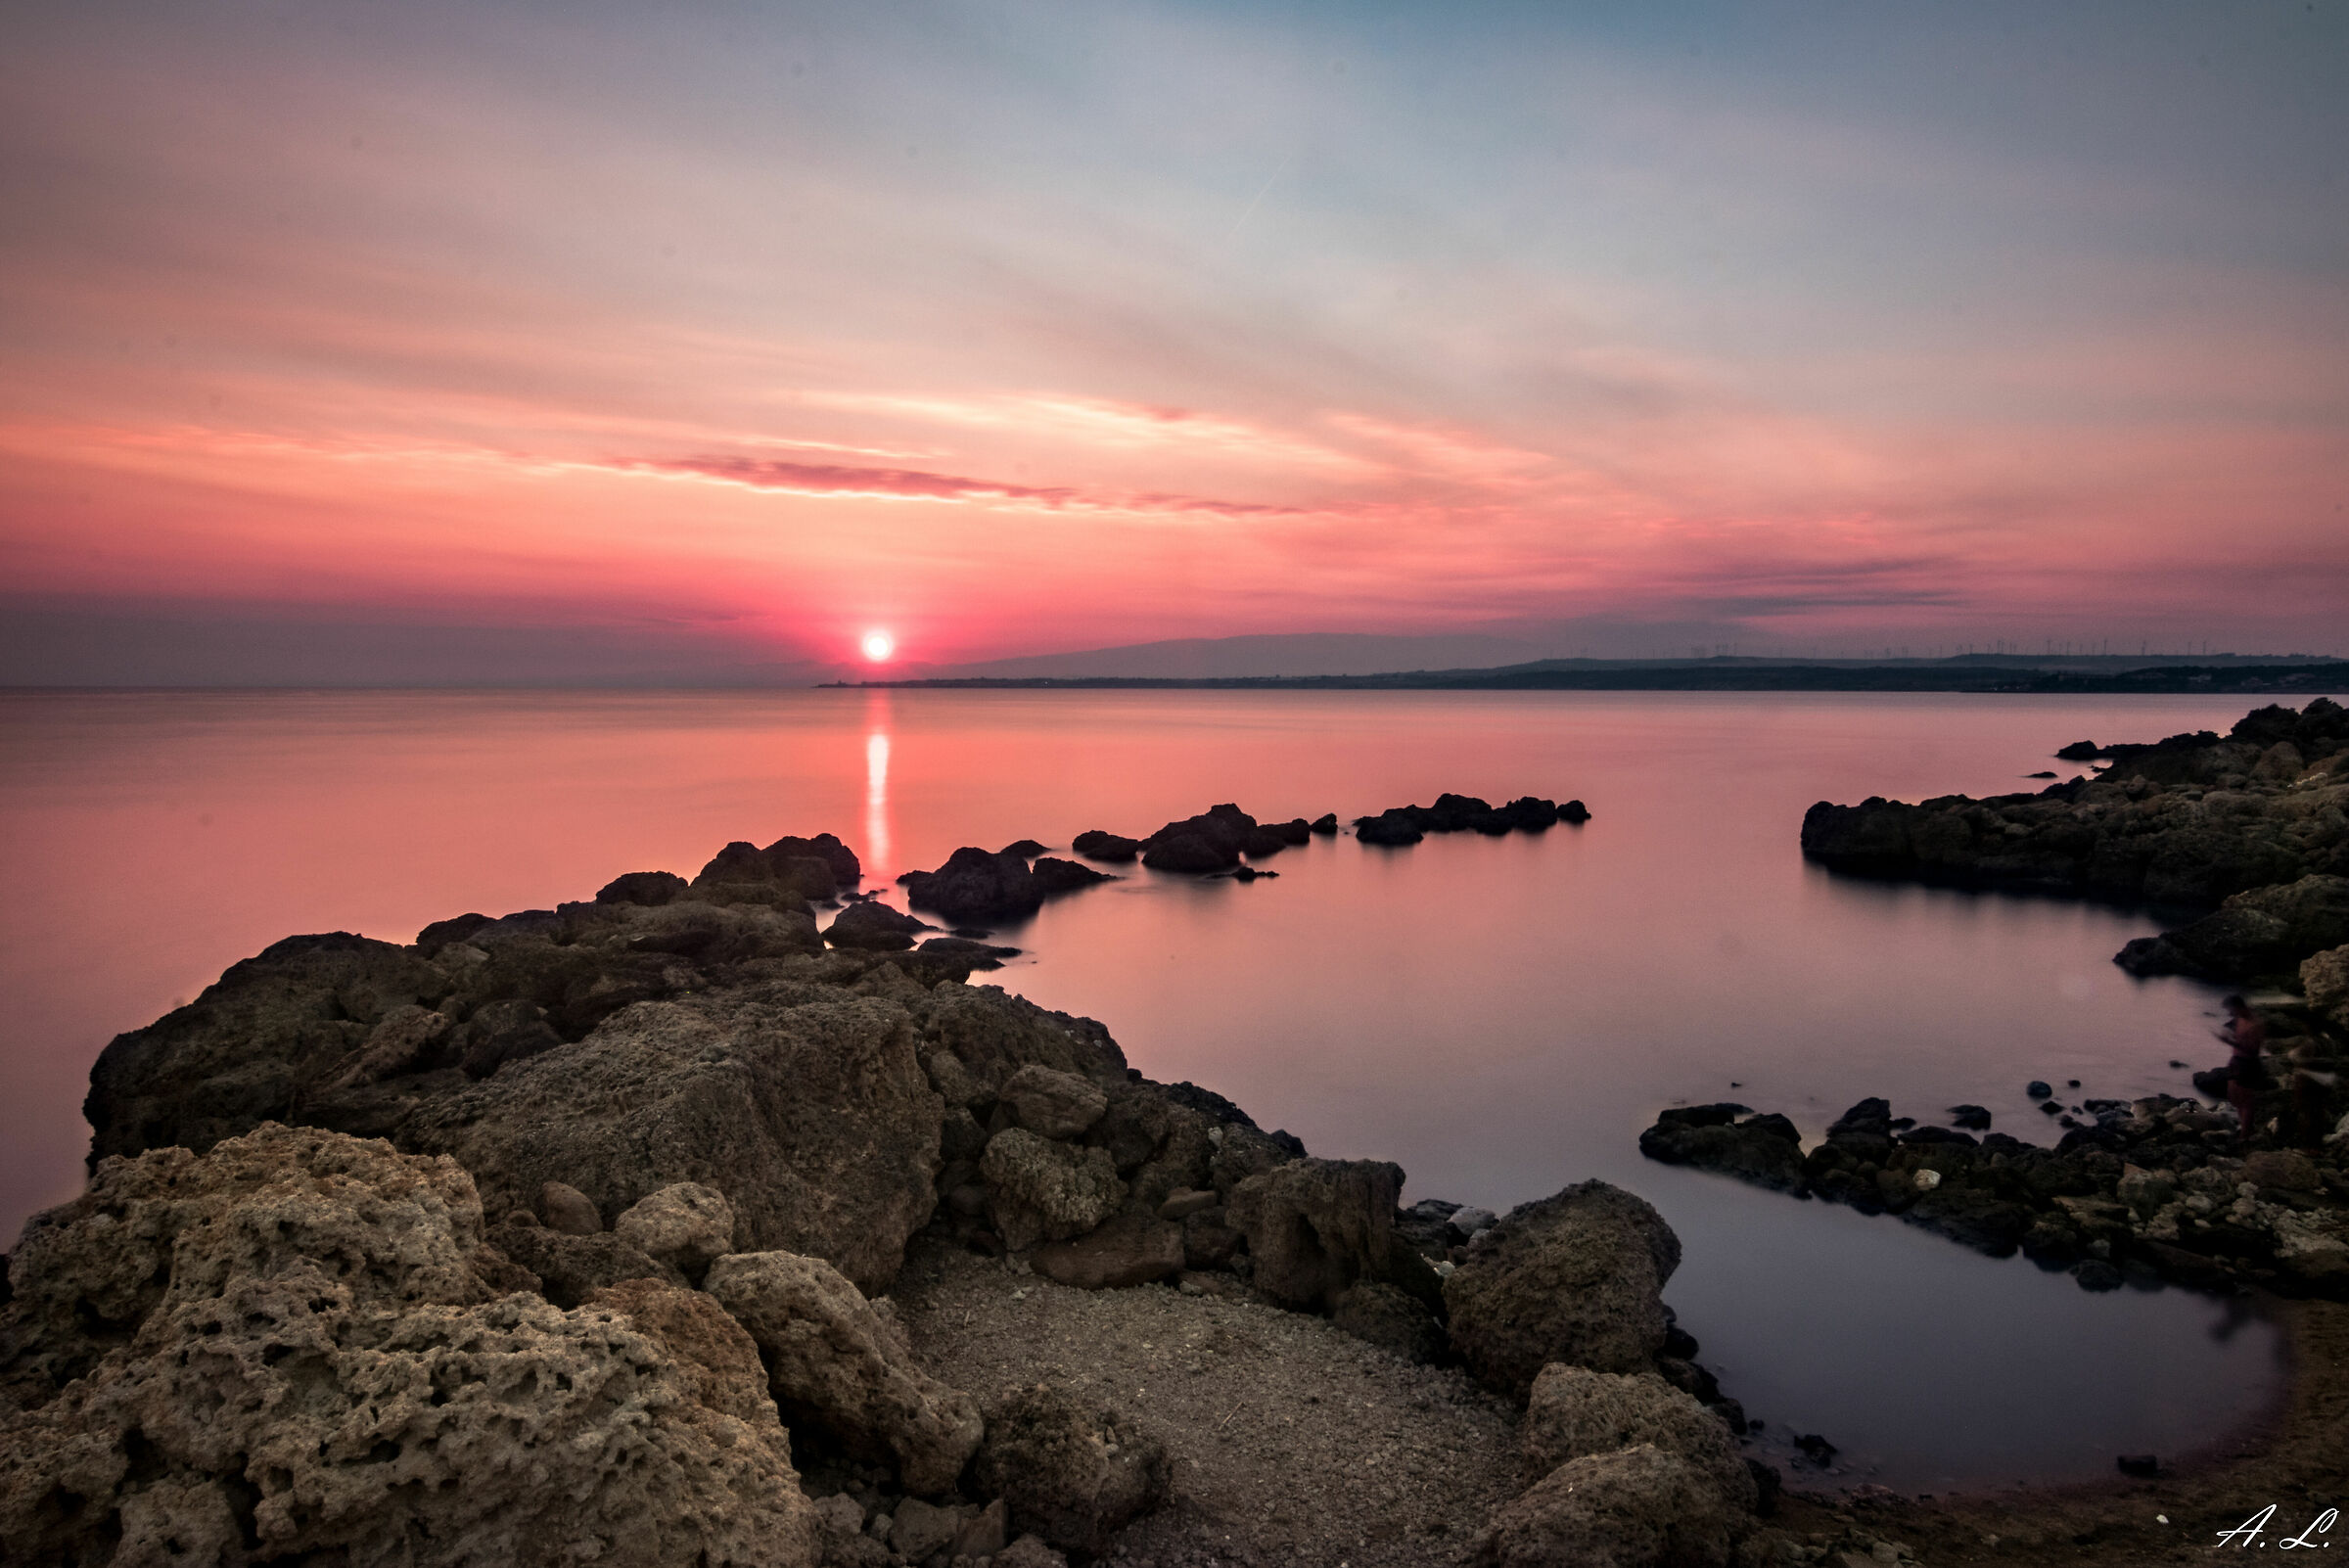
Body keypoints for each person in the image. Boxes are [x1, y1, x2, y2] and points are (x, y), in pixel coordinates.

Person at [2217, 995, 2268, 1143]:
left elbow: (2253, 1050)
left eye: (2231, 1010)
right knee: (2233, 1096)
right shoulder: (2239, 1019)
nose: (2230, 1013)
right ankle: (2243, 1127)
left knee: (2246, 1101)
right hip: (2236, 1061)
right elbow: (2235, 1032)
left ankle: (2245, 1135)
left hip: (2248, 1063)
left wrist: (2230, 1042)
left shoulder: (2256, 1024)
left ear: (2239, 1007)